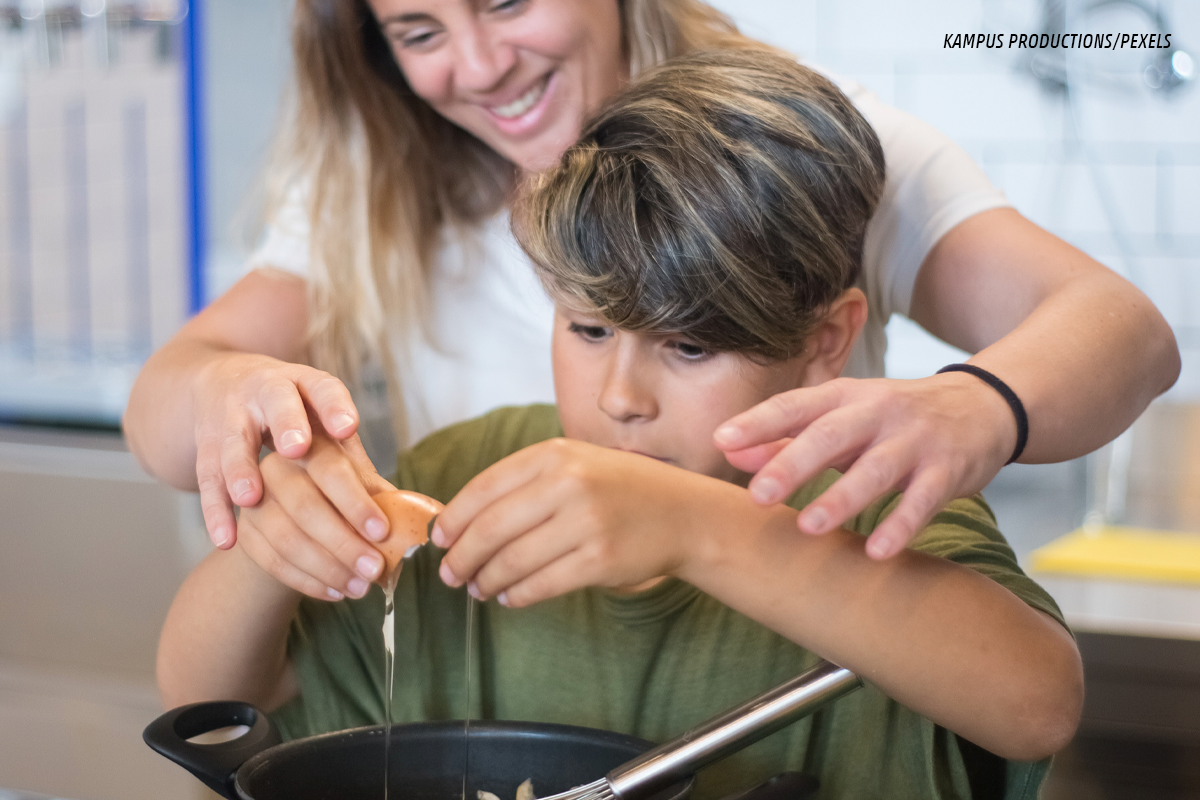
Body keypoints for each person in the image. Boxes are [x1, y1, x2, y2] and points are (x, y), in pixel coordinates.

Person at [156, 51, 1083, 799]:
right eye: (589, 329)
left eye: (687, 347)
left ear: (825, 338)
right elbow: (208, 699)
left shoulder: (874, 497)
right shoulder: (469, 468)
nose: (621, 396)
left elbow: (1038, 702)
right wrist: (267, 541)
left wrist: (694, 529)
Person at [125, 0, 1179, 603]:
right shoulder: (380, 184)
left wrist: (976, 404)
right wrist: (232, 393)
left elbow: (1126, 332)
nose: (482, 66)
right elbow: (170, 406)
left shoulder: (804, 149)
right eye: (419, 30)